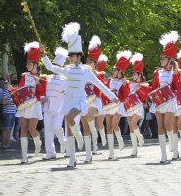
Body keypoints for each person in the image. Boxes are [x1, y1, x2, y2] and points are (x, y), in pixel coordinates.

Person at [41, 22, 117, 168]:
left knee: (70, 119)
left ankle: (80, 138)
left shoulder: (86, 70)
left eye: (72, 56)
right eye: (69, 56)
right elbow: (51, 67)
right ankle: (72, 159)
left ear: (79, 56)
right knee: (69, 129)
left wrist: (112, 97)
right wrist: (44, 54)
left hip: (80, 101)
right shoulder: (68, 70)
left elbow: (99, 85)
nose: (70, 58)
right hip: (68, 101)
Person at [150, 31, 181, 163]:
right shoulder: (158, 72)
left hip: (169, 101)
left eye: (164, 58)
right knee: (160, 126)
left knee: (168, 124)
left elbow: (177, 88)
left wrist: (175, 75)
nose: (161, 60)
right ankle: (163, 154)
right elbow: (153, 86)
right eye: (161, 58)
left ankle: (174, 144)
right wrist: (148, 90)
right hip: (158, 101)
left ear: (170, 61)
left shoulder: (176, 73)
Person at [16, 41, 47, 163]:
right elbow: (20, 89)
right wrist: (12, 89)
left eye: (29, 63)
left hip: (34, 105)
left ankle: (37, 142)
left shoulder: (42, 77)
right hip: (24, 105)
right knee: (23, 128)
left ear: (35, 64)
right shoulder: (24, 76)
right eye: (27, 63)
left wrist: (38, 81)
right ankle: (24, 156)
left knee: (31, 129)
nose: (27, 65)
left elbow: (42, 92)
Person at [102, 50, 131, 159]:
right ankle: (111, 152)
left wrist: (125, 85)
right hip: (109, 105)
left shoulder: (124, 82)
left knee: (114, 125)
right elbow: (103, 89)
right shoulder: (109, 80)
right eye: (113, 70)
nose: (113, 71)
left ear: (120, 71)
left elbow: (126, 96)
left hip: (118, 105)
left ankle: (120, 140)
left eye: (115, 70)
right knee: (108, 128)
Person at [42, 47, 68, 160]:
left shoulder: (65, 79)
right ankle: (50, 152)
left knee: (56, 127)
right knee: (48, 131)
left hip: (59, 108)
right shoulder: (47, 79)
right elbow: (42, 91)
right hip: (48, 108)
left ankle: (64, 142)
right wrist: (43, 97)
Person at [125, 53, 149, 156]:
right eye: (132, 74)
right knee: (131, 127)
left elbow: (145, 98)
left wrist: (139, 89)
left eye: (135, 74)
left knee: (133, 124)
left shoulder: (144, 85)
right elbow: (126, 94)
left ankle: (140, 137)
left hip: (138, 106)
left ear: (139, 75)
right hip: (129, 106)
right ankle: (134, 149)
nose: (132, 75)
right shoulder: (130, 84)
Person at [1, 81, 16, 149]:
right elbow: (3, 102)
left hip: (13, 112)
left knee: (10, 129)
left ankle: (8, 144)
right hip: (7, 112)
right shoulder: (6, 91)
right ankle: (3, 144)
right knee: (5, 128)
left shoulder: (14, 91)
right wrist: (13, 101)